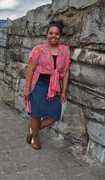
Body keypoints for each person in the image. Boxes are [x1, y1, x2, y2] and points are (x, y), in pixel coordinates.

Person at [24, 21, 70, 150]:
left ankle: (32, 131)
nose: (53, 36)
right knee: (36, 113)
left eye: (56, 33)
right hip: (38, 84)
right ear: (47, 34)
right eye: (51, 33)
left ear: (60, 36)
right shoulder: (39, 49)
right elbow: (30, 70)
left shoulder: (65, 51)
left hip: (54, 87)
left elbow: (65, 72)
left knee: (54, 115)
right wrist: (27, 88)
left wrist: (64, 91)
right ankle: (35, 139)